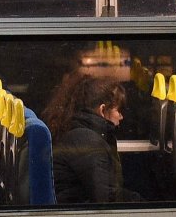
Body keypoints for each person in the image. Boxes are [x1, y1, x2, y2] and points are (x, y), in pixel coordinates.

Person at [43, 72, 142, 204]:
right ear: (102, 110)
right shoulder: (88, 141)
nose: (121, 117)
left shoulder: (74, 132)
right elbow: (107, 198)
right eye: (118, 110)